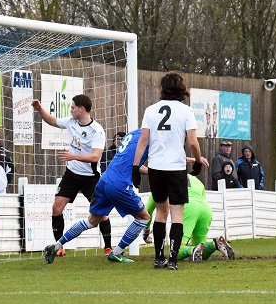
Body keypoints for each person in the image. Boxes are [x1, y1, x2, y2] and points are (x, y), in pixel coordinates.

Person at [44, 128, 150, 264]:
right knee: (143, 217)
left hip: (104, 180)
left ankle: (56, 246)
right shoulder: (148, 138)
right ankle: (117, 252)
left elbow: (129, 162)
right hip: (119, 184)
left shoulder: (132, 134)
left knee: (92, 221)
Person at [132, 71, 203, 270]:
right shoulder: (186, 111)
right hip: (176, 168)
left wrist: (136, 166)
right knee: (177, 214)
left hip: (156, 168)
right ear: (182, 90)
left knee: (161, 212)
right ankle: (172, 260)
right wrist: (197, 161)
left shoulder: (151, 110)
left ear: (163, 89)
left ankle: (158, 257)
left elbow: (143, 140)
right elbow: (192, 142)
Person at [31, 95, 113, 255]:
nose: (71, 110)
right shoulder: (71, 122)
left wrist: (73, 156)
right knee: (56, 208)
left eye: (73, 107)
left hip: (91, 177)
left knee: (100, 213)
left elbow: (96, 157)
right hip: (72, 174)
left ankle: (108, 247)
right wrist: (39, 109)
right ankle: (59, 247)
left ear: (81, 109)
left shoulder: (97, 130)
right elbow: (52, 121)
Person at [145, 173, 235, 263]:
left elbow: (148, 209)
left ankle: (192, 250)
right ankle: (214, 244)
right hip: (205, 209)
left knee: (176, 251)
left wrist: (146, 229)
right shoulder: (196, 180)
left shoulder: (164, 177)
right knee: (201, 250)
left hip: (188, 207)